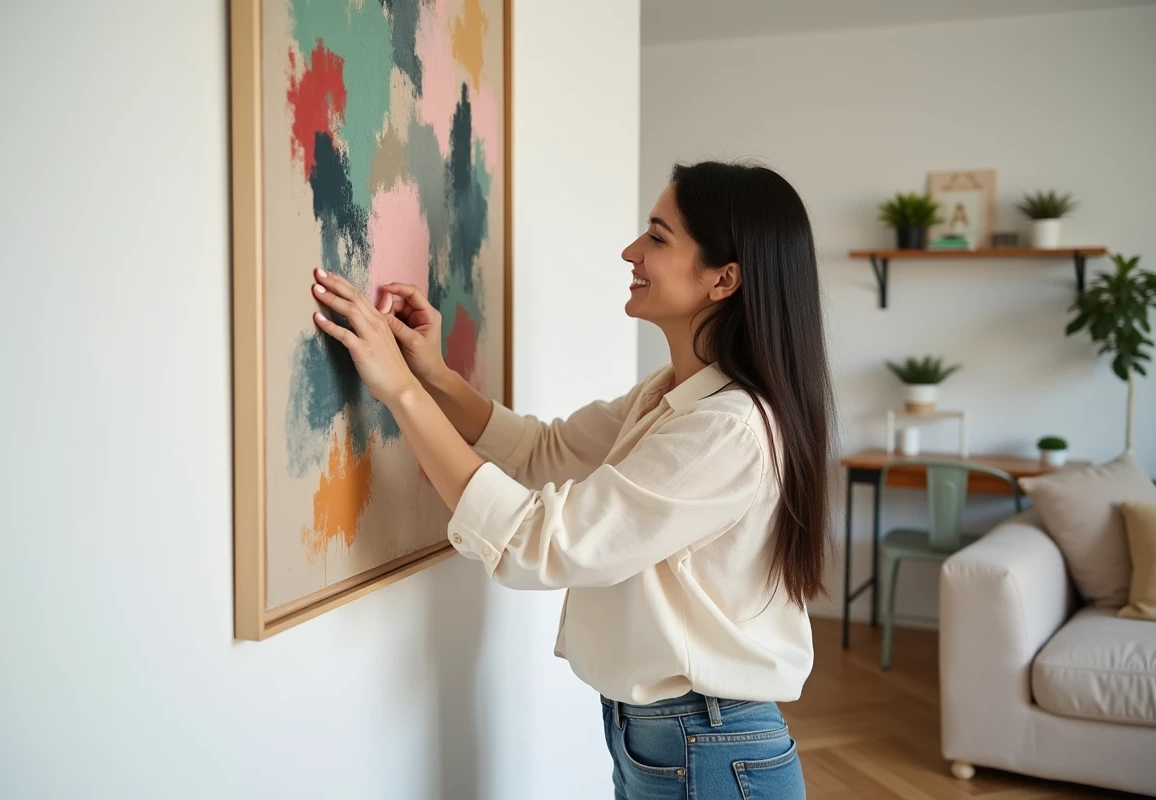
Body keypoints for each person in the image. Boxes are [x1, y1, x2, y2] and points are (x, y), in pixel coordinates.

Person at [309, 160, 834, 799]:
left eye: (658, 238)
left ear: (724, 279)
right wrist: (434, 377)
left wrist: (398, 390)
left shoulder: (728, 430)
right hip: (674, 740)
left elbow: (545, 544)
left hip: (707, 746)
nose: (630, 251)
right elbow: (543, 449)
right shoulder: (674, 394)